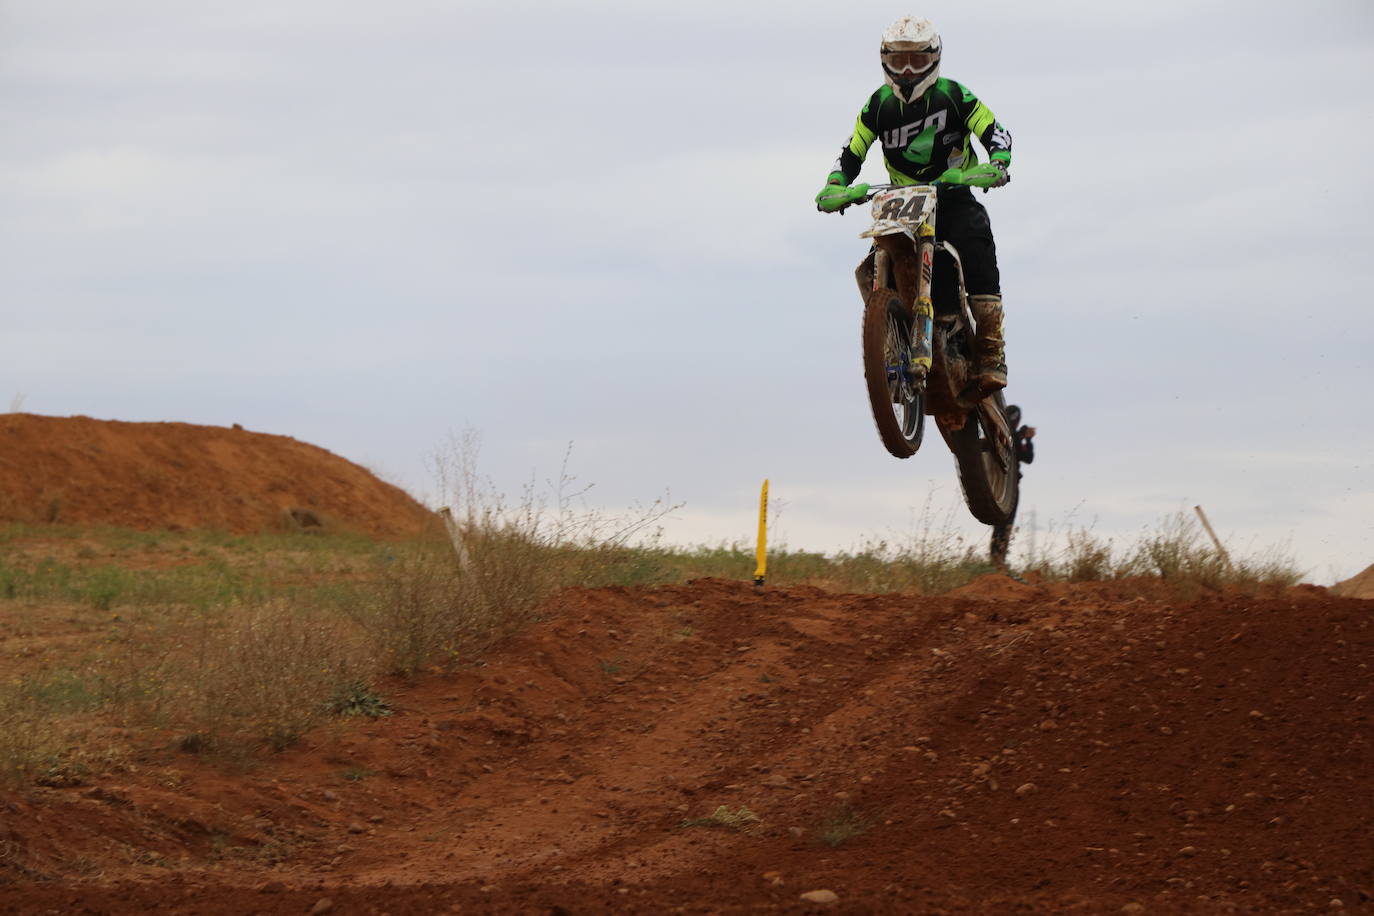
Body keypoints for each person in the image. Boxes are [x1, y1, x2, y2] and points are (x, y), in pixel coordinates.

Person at [815, 16, 1013, 394]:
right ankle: (890, 340)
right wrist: (836, 185)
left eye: (917, 62)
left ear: (934, 60)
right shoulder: (878, 105)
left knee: (974, 237)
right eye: (900, 61)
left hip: (952, 194)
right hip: (903, 201)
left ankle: (991, 348)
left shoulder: (954, 95)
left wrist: (997, 164)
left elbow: (995, 131)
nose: (907, 71)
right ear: (885, 60)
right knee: (872, 261)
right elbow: (851, 151)